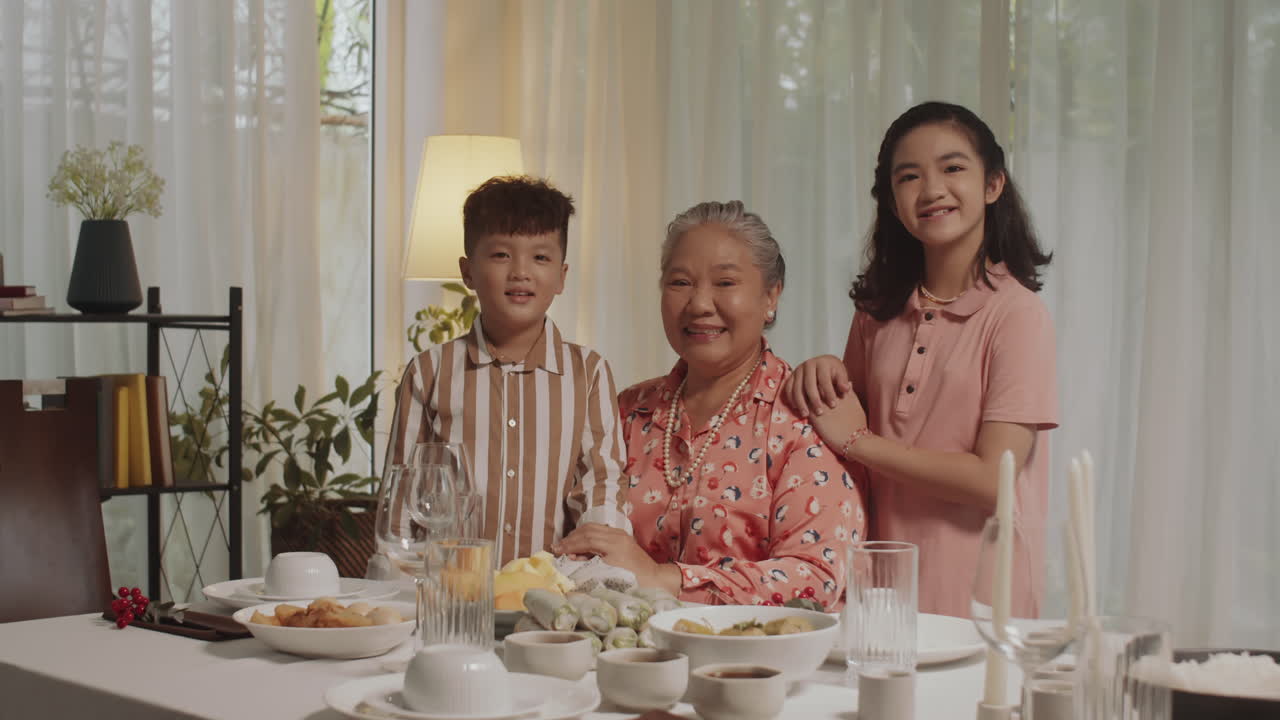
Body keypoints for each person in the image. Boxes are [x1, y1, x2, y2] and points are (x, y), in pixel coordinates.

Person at [782, 101, 1058, 617]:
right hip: (881, 596)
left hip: (982, 602)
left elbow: (990, 479)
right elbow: (844, 440)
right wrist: (823, 371)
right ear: (891, 199)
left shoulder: (1018, 316)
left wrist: (861, 442)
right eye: (909, 177)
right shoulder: (876, 312)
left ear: (993, 184)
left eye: (953, 168)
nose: (931, 190)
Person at [555, 201, 867, 609]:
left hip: (758, 664)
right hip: (630, 657)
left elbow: (817, 576)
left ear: (771, 296)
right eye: (680, 282)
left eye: (724, 283)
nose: (700, 304)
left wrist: (661, 578)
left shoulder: (807, 411)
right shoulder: (628, 411)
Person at [384, 175, 630, 566]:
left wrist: (596, 571)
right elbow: (402, 501)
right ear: (467, 272)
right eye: (501, 255)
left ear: (562, 276)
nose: (520, 272)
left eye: (540, 257)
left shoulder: (590, 372)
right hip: (452, 593)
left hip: (556, 594)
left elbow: (602, 487)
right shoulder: (428, 372)